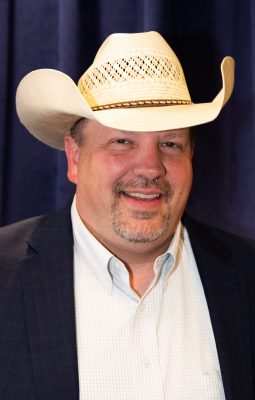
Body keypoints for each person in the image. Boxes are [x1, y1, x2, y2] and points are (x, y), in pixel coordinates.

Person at [0, 31, 254, 400]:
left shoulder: (247, 276)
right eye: (122, 141)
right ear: (74, 157)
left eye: (170, 143)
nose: (150, 168)